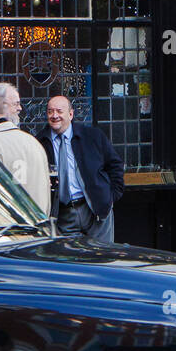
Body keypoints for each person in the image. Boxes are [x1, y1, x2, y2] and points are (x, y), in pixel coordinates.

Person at [37, 94, 124, 244]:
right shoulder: (39, 142)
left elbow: (115, 165)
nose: (54, 115)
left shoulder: (92, 136)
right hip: (63, 214)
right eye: (50, 111)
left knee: (101, 257)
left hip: (95, 211)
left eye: (59, 111)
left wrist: (110, 197)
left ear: (71, 114)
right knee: (71, 262)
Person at [0, 84, 51, 215]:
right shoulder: (33, 142)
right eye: (16, 104)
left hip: (9, 231)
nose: (20, 108)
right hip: (40, 230)